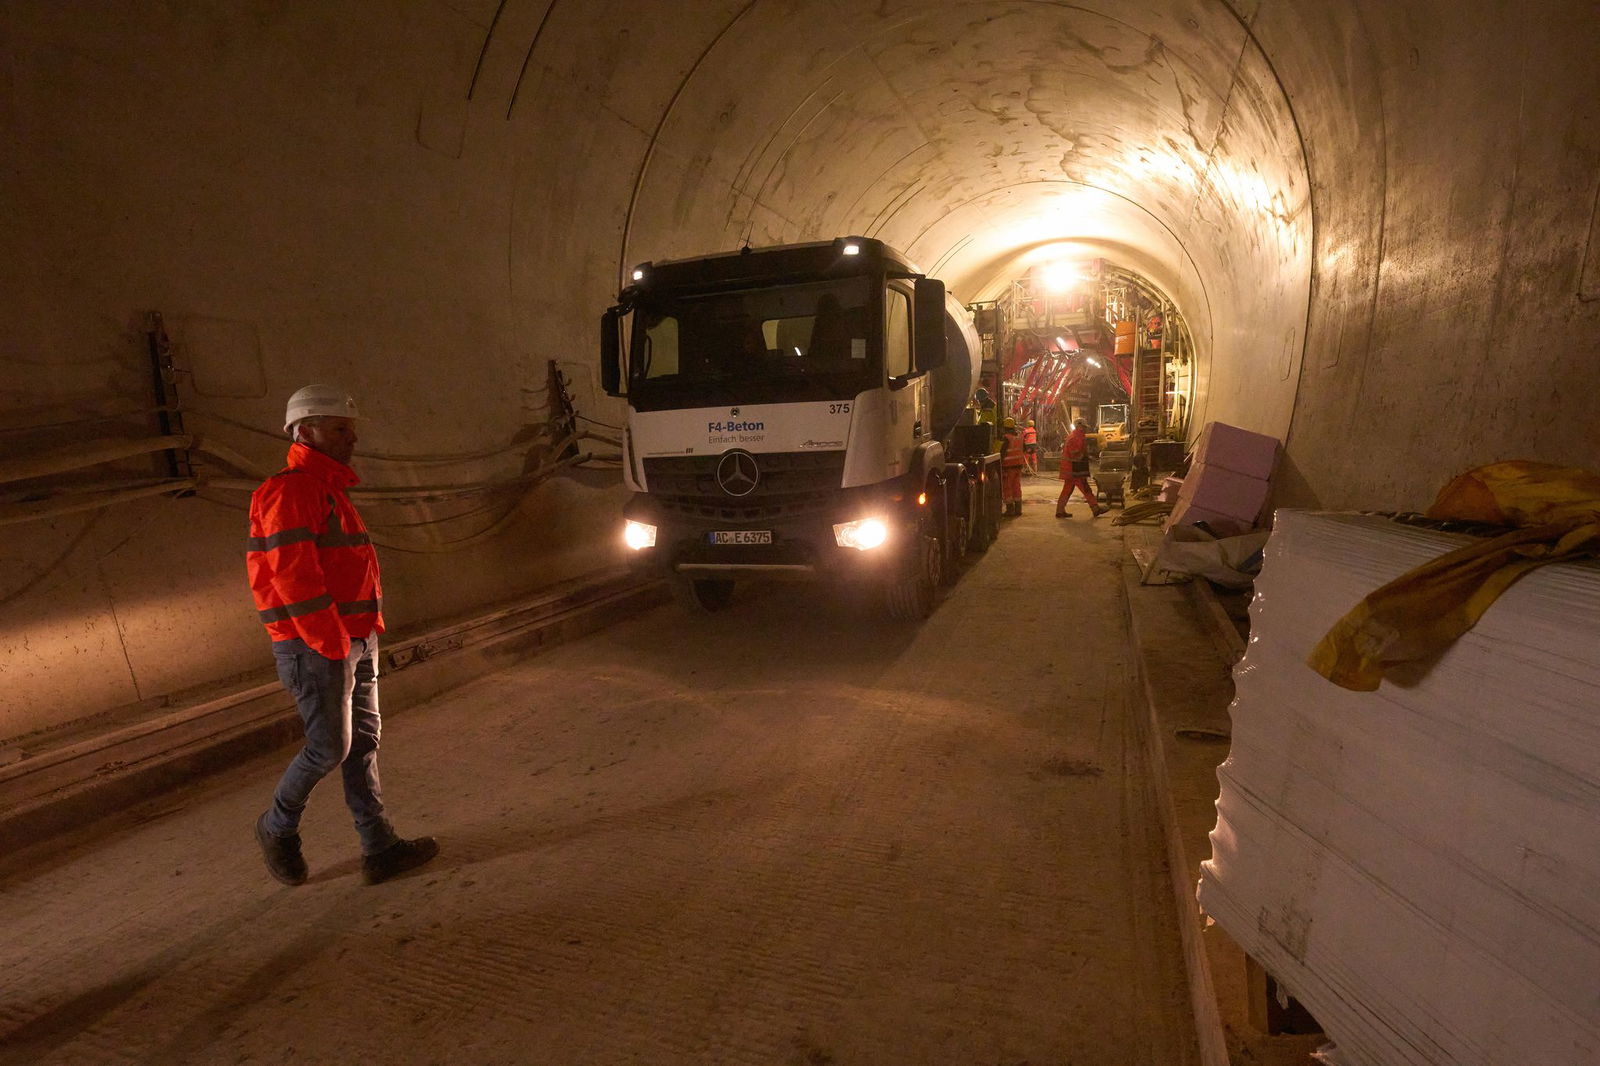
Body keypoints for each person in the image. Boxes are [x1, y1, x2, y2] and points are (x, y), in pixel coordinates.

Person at [248, 385, 438, 886]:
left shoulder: (329, 489)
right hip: (318, 645)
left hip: (354, 638)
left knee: (363, 743)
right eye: (340, 429)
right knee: (328, 748)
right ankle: (276, 826)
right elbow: (294, 577)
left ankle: (379, 846)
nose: (351, 439)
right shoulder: (292, 491)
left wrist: (360, 636)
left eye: (351, 430)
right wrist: (331, 643)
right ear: (304, 431)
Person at [1057, 417, 1108, 519]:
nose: (1085, 429)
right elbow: (1075, 453)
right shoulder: (1077, 437)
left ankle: (1060, 511)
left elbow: (1077, 451)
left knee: (1067, 490)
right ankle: (1095, 508)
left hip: (1070, 469)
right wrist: (1083, 457)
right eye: (1084, 427)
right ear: (1080, 426)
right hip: (1075, 469)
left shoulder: (1075, 435)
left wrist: (1086, 456)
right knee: (1086, 489)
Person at [1000, 416, 1026, 516]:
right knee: (1016, 487)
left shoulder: (1006, 438)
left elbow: (1002, 453)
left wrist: (1000, 465)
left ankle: (1010, 510)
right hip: (1018, 466)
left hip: (1008, 467)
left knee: (1007, 488)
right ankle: (1018, 509)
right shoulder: (1019, 437)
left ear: (1005, 427)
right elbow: (1023, 449)